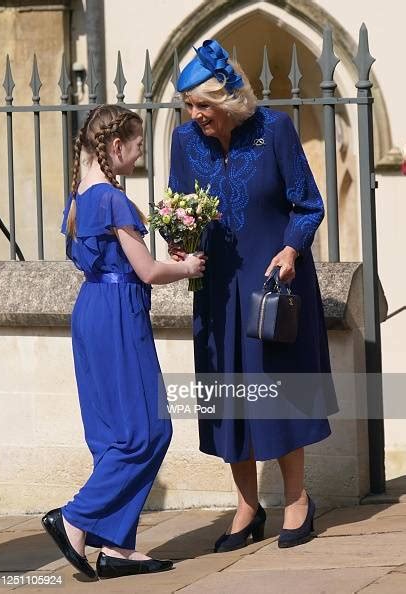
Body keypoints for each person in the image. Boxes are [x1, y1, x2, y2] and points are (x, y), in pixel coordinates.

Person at [168, 40, 338, 552]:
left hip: (273, 284)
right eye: (191, 106)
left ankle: (297, 502)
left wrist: (291, 250)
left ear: (230, 100)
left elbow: (308, 205)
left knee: (280, 393)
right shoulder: (183, 142)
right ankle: (247, 507)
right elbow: (180, 208)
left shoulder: (275, 130)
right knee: (227, 401)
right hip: (216, 289)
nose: (197, 115)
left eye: (205, 105)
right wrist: (178, 239)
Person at [41, 105, 206, 579]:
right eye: (136, 149)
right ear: (115, 148)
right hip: (118, 313)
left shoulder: (76, 200)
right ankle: (74, 518)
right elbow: (148, 271)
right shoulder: (113, 200)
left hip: (89, 311)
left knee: (113, 436)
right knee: (148, 431)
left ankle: (116, 548)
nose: (137, 159)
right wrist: (190, 266)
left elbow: (98, 260)